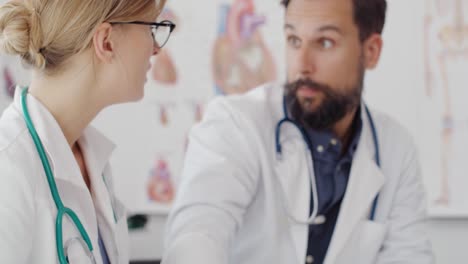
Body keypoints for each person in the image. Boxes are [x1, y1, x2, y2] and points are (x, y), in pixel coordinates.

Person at [163, 0, 434, 263]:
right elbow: (196, 237)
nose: (302, 64)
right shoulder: (235, 124)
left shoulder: (396, 149)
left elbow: (409, 255)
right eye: (294, 40)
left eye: (325, 42)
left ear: (371, 51)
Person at [0, 0, 174, 263]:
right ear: (106, 42)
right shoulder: (8, 167)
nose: (156, 49)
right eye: (150, 29)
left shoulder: (91, 158)